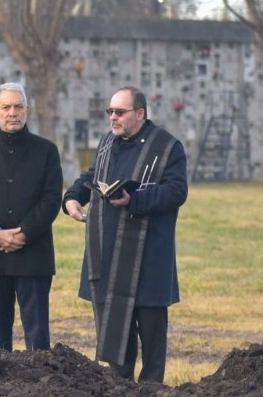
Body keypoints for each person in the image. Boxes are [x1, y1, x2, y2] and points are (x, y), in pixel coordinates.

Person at [63, 86, 188, 383]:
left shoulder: (168, 147)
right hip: (108, 257)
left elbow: (177, 191)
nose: (113, 118)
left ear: (140, 114)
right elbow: (92, 176)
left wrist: (135, 200)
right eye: (110, 112)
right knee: (115, 348)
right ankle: (119, 389)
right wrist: (71, 197)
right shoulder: (108, 142)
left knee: (153, 347)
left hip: (147, 262)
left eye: (120, 112)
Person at [0, 82, 62, 351]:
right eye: (6, 107)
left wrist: (24, 232)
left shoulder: (47, 152)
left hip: (34, 253)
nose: (12, 112)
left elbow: (51, 200)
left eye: (18, 106)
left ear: (27, 110)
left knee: (38, 338)